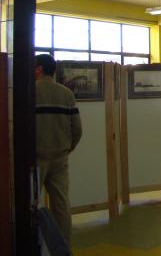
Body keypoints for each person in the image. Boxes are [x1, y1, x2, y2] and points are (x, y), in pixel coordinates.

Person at [35, 54, 82, 247]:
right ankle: (63, 247)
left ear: (39, 69)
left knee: (29, 204)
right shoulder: (66, 93)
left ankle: (32, 245)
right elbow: (77, 129)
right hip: (60, 157)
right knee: (61, 205)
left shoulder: (30, 91)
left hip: (34, 158)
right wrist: (67, 148)